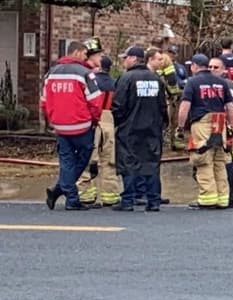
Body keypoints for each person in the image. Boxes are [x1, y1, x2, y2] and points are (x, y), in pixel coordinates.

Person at [41, 40, 102, 211]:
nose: (85, 57)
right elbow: (95, 102)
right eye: (84, 54)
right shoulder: (84, 73)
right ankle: (69, 197)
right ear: (76, 53)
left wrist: (52, 120)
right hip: (82, 125)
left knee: (67, 162)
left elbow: (44, 102)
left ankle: (62, 192)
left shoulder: (50, 74)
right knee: (82, 160)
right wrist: (94, 121)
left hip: (60, 126)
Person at [112, 46, 167, 211]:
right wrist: (161, 125)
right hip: (152, 129)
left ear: (134, 59)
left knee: (128, 163)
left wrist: (119, 123)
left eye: (126, 58)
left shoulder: (127, 78)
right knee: (151, 163)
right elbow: (162, 106)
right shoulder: (156, 79)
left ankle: (128, 200)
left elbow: (118, 105)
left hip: (130, 129)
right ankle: (154, 201)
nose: (124, 61)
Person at [178, 54, 233, 209]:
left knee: (203, 160)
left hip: (202, 123)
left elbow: (184, 107)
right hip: (220, 123)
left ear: (195, 66)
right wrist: (229, 126)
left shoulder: (193, 82)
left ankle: (207, 199)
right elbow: (230, 107)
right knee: (220, 162)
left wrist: (181, 126)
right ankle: (223, 198)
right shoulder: (222, 82)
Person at [75, 41, 123, 207]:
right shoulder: (114, 83)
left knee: (87, 159)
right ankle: (110, 195)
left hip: (92, 122)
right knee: (109, 161)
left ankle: (86, 194)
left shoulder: (89, 80)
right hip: (109, 122)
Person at [208, 57, 233, 208]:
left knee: (224, 162)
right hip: (209, 127)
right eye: (210, 67)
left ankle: (229, 197)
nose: (212, 70)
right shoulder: (207, 83)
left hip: (222, 128)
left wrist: (229, 130)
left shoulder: (229, 85)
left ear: (224, 70)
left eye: (216, 67)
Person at [153, 40, 182, 149]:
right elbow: (171, 80)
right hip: (165, 96)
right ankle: (166, 142)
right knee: (166, 120)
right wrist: (174, 93)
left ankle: (169, 142)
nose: (171, 55)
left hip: (160, 95)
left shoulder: (150, 60)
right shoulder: (166, 61)